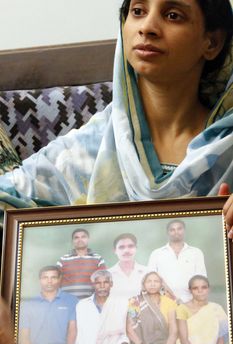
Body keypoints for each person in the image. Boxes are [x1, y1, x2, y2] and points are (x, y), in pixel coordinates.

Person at [0, 0, 232, 239]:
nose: (147, 27)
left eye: (173, 15)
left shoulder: (228, 150)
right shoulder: (89, 148)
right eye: (138, 11)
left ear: (212, 42)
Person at [19, 265, 77, 344]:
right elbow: (23, 335)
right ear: (39, 280)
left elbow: (73, 330)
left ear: (59, 279)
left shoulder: (71, 300)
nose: (49, 281)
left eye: (53, 277)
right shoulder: (28, 304)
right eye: (45, 277)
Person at [148, 219, 207, 303]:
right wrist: (170, 296)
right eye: (172, 230)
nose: (176, 232)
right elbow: (150, 279)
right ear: (167, 233)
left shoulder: (196, 252)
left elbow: (202, 279)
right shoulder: (156, 253)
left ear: (184, 231)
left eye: (179, 229)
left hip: (191, 301)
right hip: (163, 301)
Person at [126, 271, 177, 344]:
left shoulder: (169, 302)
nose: (152, 284)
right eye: (149, 281)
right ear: (144, 285)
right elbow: (130, 329)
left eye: (156, 281)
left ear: (161, 284)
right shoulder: (135, 302)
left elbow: (173, 330)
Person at [176, 274, 228, 344]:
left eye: (204, 287)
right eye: (195, 288)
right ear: (190, 290)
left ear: (209, 289)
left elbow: (221, 338)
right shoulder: (182, 308)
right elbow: (184, 340)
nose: (200, 291)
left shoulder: (216, 308)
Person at [57, 228, 106, 299]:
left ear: (88, 239)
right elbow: (56, 281)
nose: (80, 240)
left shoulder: (98, 259)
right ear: (72, 241)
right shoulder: (63, 259)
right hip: (68, 301)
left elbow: (103, 280)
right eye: (76, 238)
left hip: (91, 301)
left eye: (83, 237)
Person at [74, 270, 113, 344]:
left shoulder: (120, 304)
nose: (102, 286)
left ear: (111, 284)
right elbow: (78, 332)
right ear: (93, 285)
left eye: (106, 282)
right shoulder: (82, 305)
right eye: (98, 283)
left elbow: (123, 332)